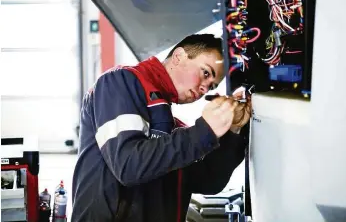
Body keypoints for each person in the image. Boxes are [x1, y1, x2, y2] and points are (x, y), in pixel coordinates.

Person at [71, 34, 252, 222]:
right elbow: (128, 165)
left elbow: (208, 180)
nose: (205, 89)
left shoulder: (171, 128)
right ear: (178, 56)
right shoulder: (119, 82)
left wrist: (233, 131)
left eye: (211, 85)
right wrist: (204, 131)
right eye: (205, 73)